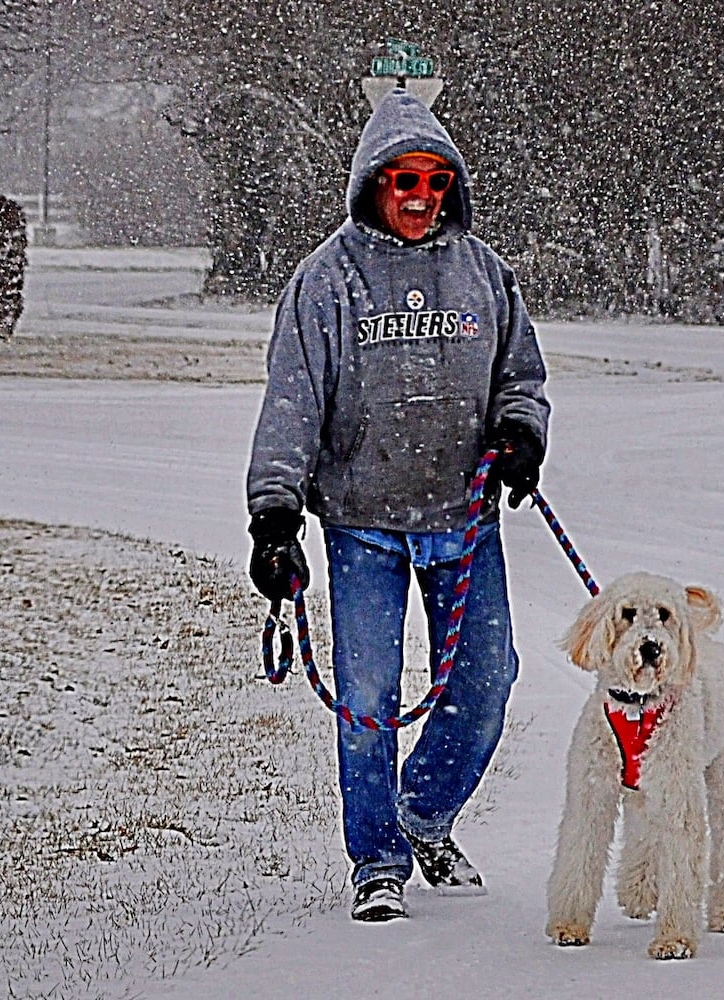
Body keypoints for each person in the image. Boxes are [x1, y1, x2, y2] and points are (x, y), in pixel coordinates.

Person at [245, 89, 550, 923]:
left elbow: (520, 377)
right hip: (361, 525)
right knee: (368, 698)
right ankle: (376, 859)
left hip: (464, 518)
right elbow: (291, 405)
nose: (422, 197)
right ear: (373, 183)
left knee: (487, 683)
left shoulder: (483, 272)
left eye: (436, 181)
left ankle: (424, 814)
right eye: (404, 180)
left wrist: (520, 435)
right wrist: (274, 517)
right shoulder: (324, 282)